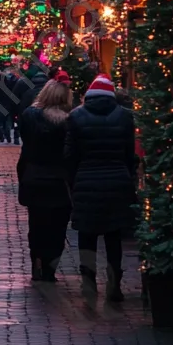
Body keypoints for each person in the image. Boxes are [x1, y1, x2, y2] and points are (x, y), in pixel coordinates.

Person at [64, 73, 137, 302]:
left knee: (87, 235)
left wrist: (73, 181)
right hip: (117, 181)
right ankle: (114, 285)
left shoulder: (75, 117)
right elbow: (129, 153)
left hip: (86, 181)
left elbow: (69, 155)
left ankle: (88, 282)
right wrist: (128, 175)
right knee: (113, 236)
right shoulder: (125, 117)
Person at [17, 80, 73, 282]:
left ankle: (37, 264)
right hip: (60, 180)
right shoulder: (69, 120)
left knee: (37, 224)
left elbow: (25, 144)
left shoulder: (30, 116)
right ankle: (50, 268)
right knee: (58, 227)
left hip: (34, 177)